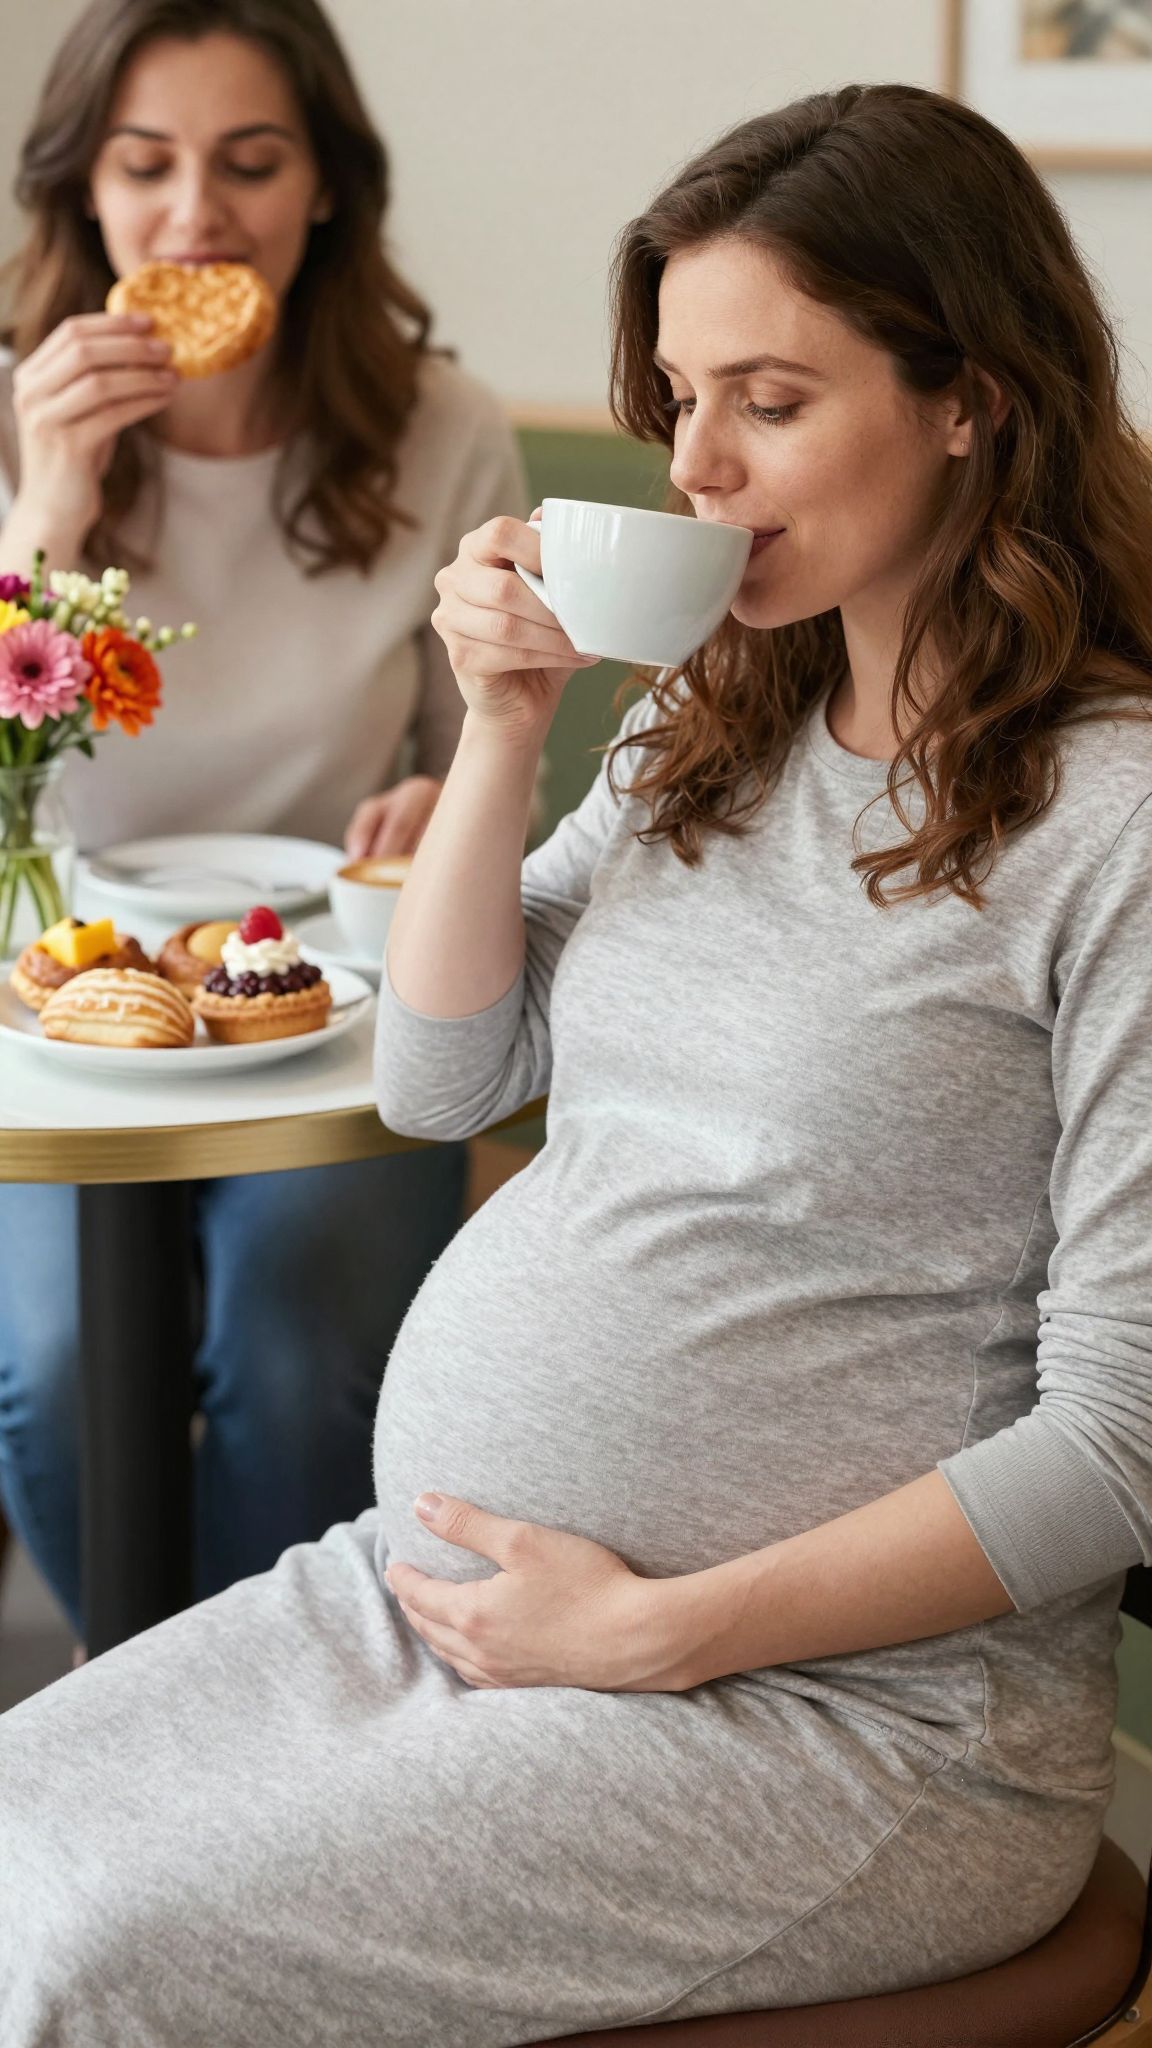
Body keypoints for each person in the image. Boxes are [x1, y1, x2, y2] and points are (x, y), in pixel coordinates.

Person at [3, 77, 1152, 2047]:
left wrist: (656, 1628)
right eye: (678, 399)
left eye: (769, 401)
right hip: (444, 1601)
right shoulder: (713, 717)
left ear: (970, 398)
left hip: (850, 1727)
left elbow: (1123, 1439)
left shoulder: (1113, 826)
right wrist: (504, 725)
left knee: (94, 1967)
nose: (695, 466)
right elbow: (445, 1081)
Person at [0, 0, 526, 1634]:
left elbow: (483, 758)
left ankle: (264, 1719)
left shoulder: (443, 431)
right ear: (85, 188)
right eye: (143, 165)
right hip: (58, 1012)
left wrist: (443, 806)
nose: (193, 218)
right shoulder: (17, 415)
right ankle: (155, 1709)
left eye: (249, 163)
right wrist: (48, 501)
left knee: (303, 1346)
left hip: (339, 1008)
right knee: (55, 1370)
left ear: (325, 188)